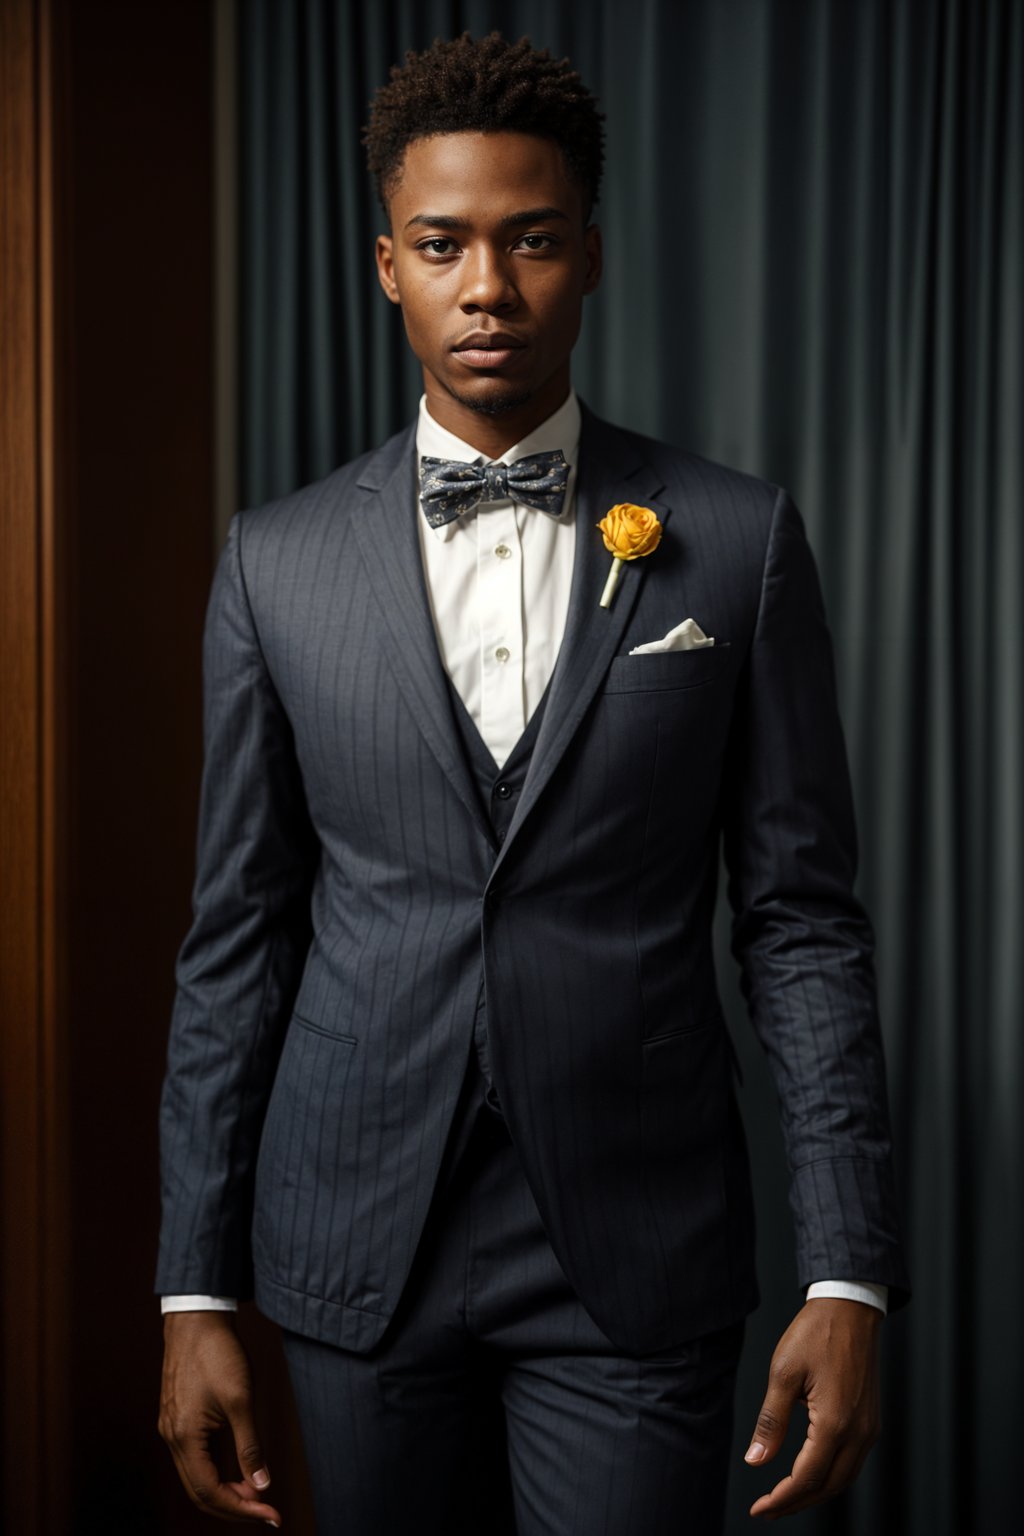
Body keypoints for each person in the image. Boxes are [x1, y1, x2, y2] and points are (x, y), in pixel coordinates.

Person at [156, 32, 910, 1535]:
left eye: (530, 241)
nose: (487, 286)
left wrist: (849, 1268)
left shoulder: (736, 539)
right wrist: (194, 1284)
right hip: (356, 1249)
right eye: (443, 246)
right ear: (387, 264)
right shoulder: (274, 562)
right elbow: (236, 938)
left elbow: (800, 922)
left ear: (592, 257)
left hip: (631, 1252)